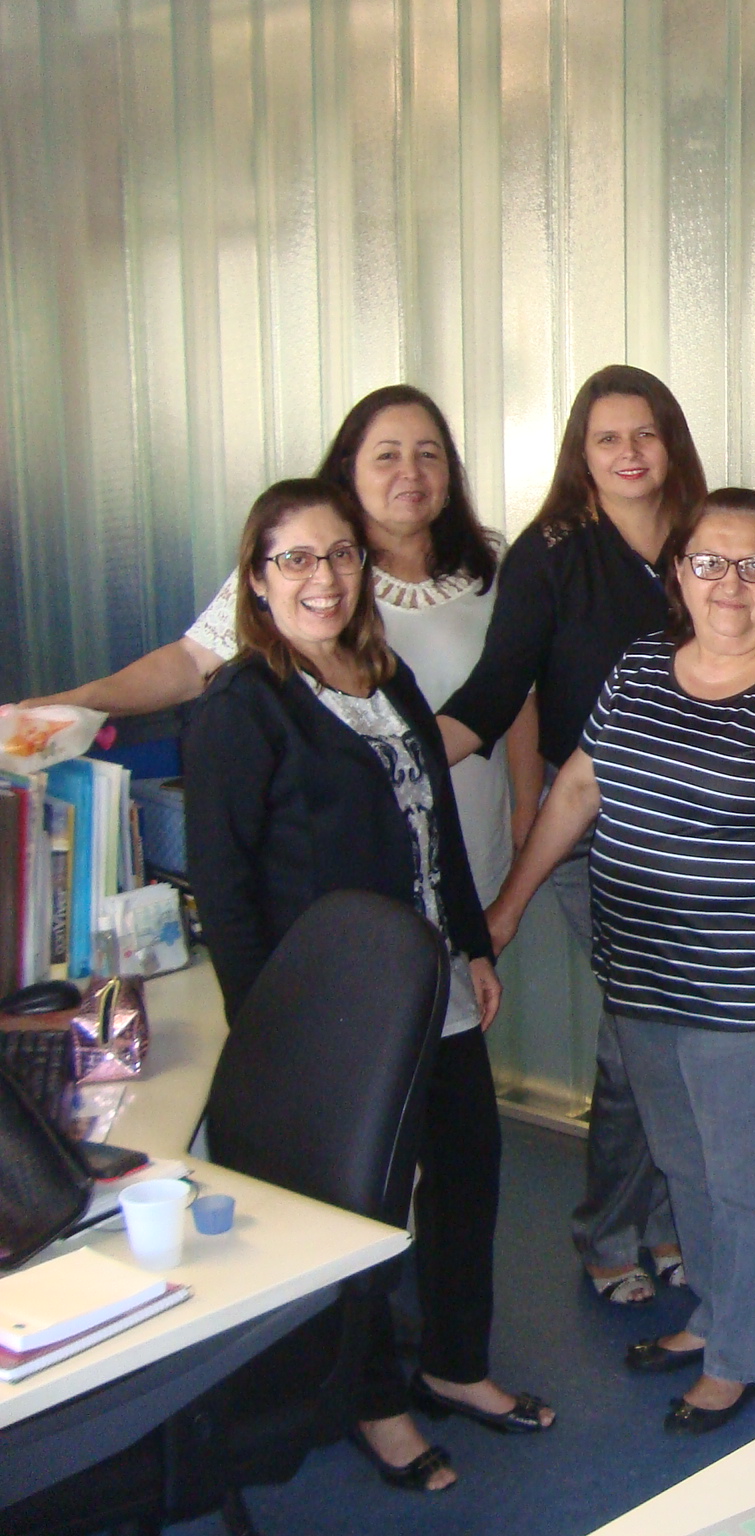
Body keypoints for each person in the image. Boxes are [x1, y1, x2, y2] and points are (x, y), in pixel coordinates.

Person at [183, 479, 550, 1495]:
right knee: (366, 1208)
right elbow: (225, 887)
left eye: (340, 554)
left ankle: (455, 1363)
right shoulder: (242, 707)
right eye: (294, 559)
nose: (323, 577)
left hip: (430, 979)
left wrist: (473, 946)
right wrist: (266, 1027)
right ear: (257, 580)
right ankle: (373, 1400)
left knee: (468, 1169)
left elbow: (436, 829)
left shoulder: (385, 679)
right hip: (330, 1013)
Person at [484, 488, 755, 1433]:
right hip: (641, 974)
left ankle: (739, 1355)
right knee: (682, 1161)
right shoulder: (638, 667)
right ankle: (711, 1312)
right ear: (678, 575)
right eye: (709, 562)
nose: (729, 585)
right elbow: (577, 790)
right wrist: (509, 905)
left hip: (744, 994)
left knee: (740, 1177)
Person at [18, 384, 540, 904]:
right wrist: (81, 701)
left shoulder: (491, 560)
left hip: (469, 832)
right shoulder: (301, 569)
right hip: (348, 852)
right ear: (349, 471)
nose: (411, 472)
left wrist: (525, 808)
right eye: (387, 456)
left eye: (429, 454)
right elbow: (190, 661)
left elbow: (513, 691)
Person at [440, 364, 706, 1305]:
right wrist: (393, 756)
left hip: (701, 821)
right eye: (607, 438)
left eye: (645, 433)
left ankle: (669, 1223)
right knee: (642, 1030)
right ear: (581, 455)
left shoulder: (708, 537)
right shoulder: (552, 551)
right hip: (585, 818)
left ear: (671, 441)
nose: (629, 453)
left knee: (684, 1030)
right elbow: (496, 689)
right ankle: (610, 1231)